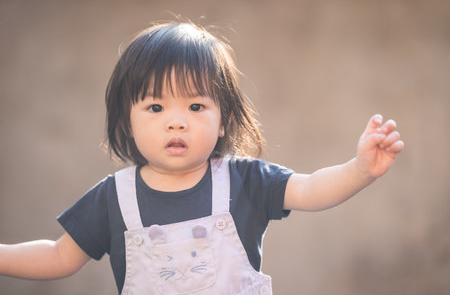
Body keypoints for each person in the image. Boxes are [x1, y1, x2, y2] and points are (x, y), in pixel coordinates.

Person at [0, 22, 404, 294]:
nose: (177, 123)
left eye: (195, 107)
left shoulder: (245, 181)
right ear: (128, 119)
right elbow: (58, 256)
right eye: (156, 108)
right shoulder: (114, 197)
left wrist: (360, 170)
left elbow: (313, 189)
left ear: (225, 119)